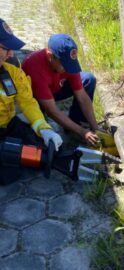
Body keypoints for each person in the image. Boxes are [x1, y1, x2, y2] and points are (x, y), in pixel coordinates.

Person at [0, 18, 63, 184]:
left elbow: (27, 102)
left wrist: (44, 129)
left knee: (45, 149)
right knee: (9, 171)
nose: (11, 54)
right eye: (6, 49)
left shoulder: (11, 71)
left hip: (7, 124)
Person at [22, 33, 99, 146]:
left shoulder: (68, 62)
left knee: (88, 79)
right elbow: (52, 111)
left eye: (70, 64)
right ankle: (78, 130)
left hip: (55, 88)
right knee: (40, 135)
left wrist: (95, 128)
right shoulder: (34, 67)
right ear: (50, 56)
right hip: (36, 97)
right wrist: (83, 133)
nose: (67, 69)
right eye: (64, 65)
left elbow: (81, 96)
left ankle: (78, 123)